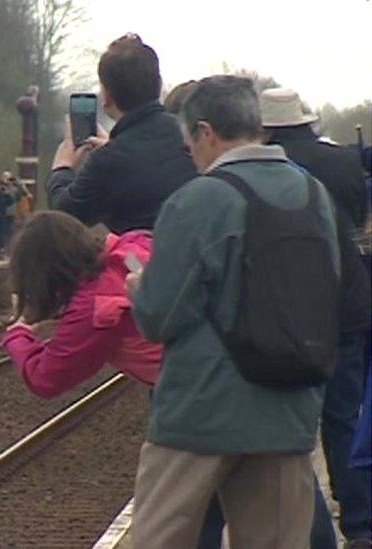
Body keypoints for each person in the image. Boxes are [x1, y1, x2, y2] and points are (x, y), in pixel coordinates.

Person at [128, 75, 340, 548]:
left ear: (205, 132)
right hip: (288, 410)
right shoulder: (314, 197)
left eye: (189, 143)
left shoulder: (198, 199)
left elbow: (160, 317)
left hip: (201, 414)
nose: (191, 154)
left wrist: (140, 287)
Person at [262, 87, 372, 547]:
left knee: (289, 426)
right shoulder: (344, 162)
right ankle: (361, 522)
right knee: (344, 415)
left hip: (291, 312)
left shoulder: (268, 168)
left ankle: (303, 525)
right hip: (346, 305)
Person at [1, 211, 160, 397]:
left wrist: (18, 332)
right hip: (198, 351)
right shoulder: (129, 252)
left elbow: (45, 380)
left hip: (194, 386)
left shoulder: (97, 308)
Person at [48, 34, 195, 234]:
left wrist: (61, 168)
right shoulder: (191, 138)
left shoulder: (108, 162)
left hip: (142, 263)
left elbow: (64, 215)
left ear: (107, 96)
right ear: (159, 85)